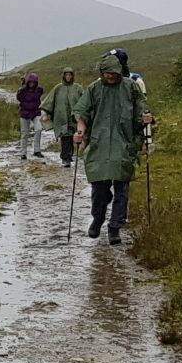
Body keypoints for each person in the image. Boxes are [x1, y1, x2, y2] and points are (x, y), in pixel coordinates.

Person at [74, 49, 151, 245]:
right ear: (101, 72)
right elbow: (83, 113)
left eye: (113, 73)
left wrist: (146, 122)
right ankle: (98, 217)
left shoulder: (131, 87)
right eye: (106, 73)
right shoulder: (94, 89)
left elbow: (142, 113)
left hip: (124, 145)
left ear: (119, 71)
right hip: (99, 145)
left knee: (122, 189)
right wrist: (80, 132)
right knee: (99, 189)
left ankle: (115, 227)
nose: (110, 76)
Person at [40, 67, 83, 166]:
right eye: (66, 75)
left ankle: (69, 156)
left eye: (70, 75)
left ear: (72, 76)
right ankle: (65, 158)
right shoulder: (58, 88)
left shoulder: (77, 88)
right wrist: (47, 114)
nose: (68, 77)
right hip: (61, 117)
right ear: (63, 76)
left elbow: (84, 101)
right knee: (65, 137)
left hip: (74, 118)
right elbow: (50, 101)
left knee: (72, 136)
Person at [15, 72, 45, 158]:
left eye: (34, 82)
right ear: (28, 82)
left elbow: (41, 94)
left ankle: (37, 150)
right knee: (24, 133)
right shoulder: (22, 91)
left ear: (36, 82)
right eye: (31, 81)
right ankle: (23, 153)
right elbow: (18, 98)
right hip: (24, 113)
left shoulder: (39, 90)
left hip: (36, 112)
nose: (32, 83)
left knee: (39, 129)